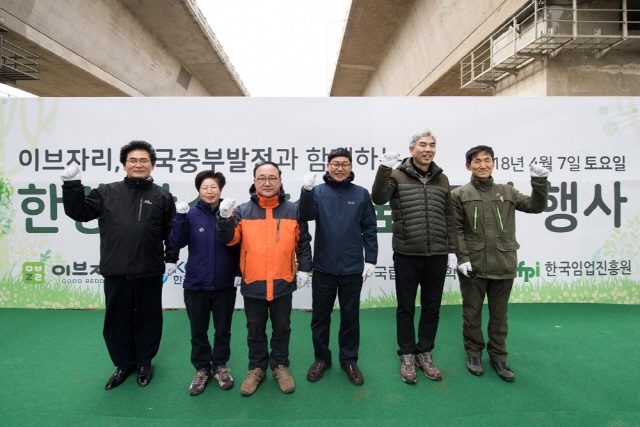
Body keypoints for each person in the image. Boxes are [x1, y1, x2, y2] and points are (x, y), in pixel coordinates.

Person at [60, 140, 178, 390]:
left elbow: (171, 232)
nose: (138, 165)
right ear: (124, 165)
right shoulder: (107, 192)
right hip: (116, 268)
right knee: (117, 319)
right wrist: (72, 187)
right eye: (133, 160)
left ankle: (145, 362)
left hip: (150, 269)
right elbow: (80, 212)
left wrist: (171, 259)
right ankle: (123, 364)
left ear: (152, 165)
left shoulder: (162, 196)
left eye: (144, 160)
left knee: (149, 317)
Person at [451, 145, 549, 382]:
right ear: (468, 166)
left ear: (493, 163)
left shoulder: (508, 191)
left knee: (499, 315)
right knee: (471, 313)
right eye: (477, 161)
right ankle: (474, 353)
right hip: (473, 266)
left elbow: (536, 207)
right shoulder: (459, 195)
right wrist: (462, 258)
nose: (482, 165)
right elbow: (456, 230)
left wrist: (539, 181)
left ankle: (498, 356)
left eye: (487, 160)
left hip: (504, 264)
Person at [216, 161, 312, 396]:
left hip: (282, 281)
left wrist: (304, 269)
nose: (267, 182)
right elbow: (229, 240)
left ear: (280, 181)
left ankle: (280, 366)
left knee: (282, 327)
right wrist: (224, 218)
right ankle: (257, 368)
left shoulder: (293, 210)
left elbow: (303, 242)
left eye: (272, 178)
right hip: (254, 282)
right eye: (261, 178)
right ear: (254, 181)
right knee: (255, 329)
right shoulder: (242, 211)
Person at [371, 129, 457, 384]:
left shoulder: (442, 179)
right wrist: (384, 168)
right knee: (406, 308)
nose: (428, 149)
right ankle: (407, 354)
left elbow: (449, 217)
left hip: (437, 255)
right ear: (412, 150)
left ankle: (425, 352)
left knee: (432, 308)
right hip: (407, 253)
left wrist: (453, 250)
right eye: (422, 145)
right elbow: (378, 198)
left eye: (432, 145)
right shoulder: (397, 175)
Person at [299, 148, 378, 386]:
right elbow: (305, 215)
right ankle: (322, 359)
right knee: (320, 318)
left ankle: (349, 360)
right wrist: (306, 191)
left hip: (353, 268)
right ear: (327, 166)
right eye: (335, 164)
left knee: (350, 318)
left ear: (351, 167)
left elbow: (370, 228)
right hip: (323, 268)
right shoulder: (319, 192)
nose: (339, 168)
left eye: (344, 164)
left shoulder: (361, 194)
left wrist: (371, 259)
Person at [169, 171, 241, 396]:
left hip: (224, 284)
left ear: (221, 190)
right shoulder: (190, 214)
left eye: (214, 187)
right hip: (196, 284)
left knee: (223, 330)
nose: (210, 192)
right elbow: (176, 242)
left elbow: (239, 246)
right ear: (198, 190)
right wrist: (179, 218)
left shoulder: (231, 214)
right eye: (204, 188)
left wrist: (238, 272)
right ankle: (201, 369)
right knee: (198, 330)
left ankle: (220, 367)